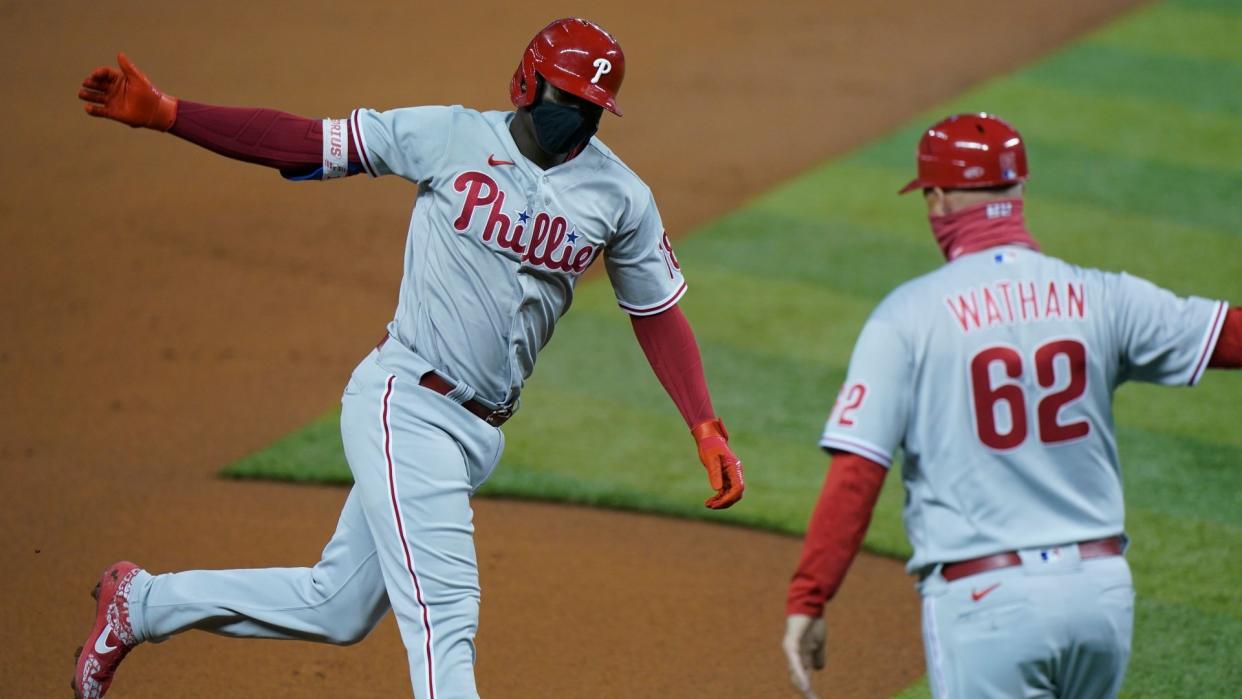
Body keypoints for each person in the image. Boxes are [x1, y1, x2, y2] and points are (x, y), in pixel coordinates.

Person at [72, 18, 746, 699]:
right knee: (446, 621)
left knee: (334, 606)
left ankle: (142, 602)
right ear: (526, 82)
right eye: (562, 100)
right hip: (407, 404)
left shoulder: (621, 196)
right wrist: (168, 114)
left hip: (477, 433)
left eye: (590, 111)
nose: (573, 119)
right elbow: (308, 142)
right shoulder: (450, 136)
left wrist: (705, 425)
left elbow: (656, 312)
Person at [780, 113, 1241, 698]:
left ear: (939, 200)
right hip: (1100, 597)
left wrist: (810, 596)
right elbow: (1231, 337)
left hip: (987, 605)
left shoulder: (908, 316)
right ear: (1019, 190)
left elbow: (858, 472)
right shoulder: (1103, 295)